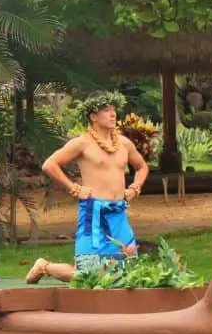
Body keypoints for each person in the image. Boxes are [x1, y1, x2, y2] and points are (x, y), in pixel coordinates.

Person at [25, 91, 149, 284]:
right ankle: (44, 266)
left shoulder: (124, 143)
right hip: (94, 214)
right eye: (106, 110)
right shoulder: (82, 143)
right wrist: (74, 188)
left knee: (128, 271)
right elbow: (49, 165)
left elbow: (142, 167)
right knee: (87, 275)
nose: (112, 114)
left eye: (114, 110)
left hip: (118, 214)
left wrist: (135, 188)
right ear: (93, 116)